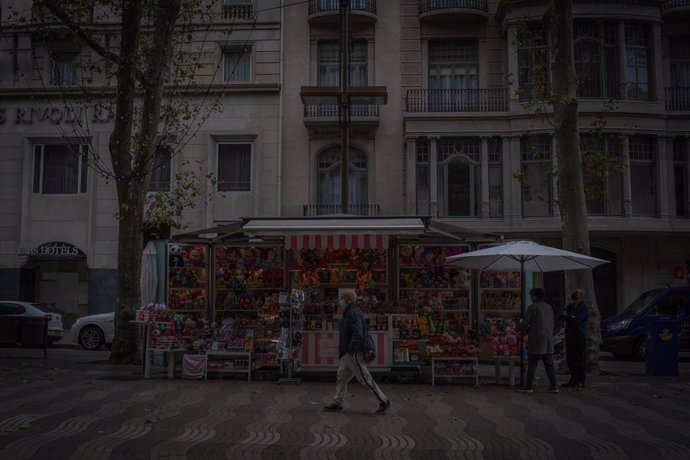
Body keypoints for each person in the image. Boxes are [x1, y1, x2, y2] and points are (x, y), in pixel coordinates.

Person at [323, 289, 391, 415]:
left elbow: (358, 334)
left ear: (348, 300)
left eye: (342, 299)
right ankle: (337, 402)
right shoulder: (349, 312)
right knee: (341, 377)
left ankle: (383, 400)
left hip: (352, 353)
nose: (340, 302)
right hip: (347, 353)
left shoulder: (353, 312)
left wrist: (351, 349)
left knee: (364, 379)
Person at [518, 287, 559, 394]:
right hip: (548, 339)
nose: (530, 297)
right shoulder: (549, 307)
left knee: (532, 364)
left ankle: (528, 386)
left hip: (536, 339)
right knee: (549, 364)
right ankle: (554, 386)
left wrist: (519, 329)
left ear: (535, 296)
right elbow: (552, 323)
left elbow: (525, 323)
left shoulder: (532, 308)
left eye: (531, 295)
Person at [561, 288, 589, 388]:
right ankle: (573, 379)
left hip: (579, 336)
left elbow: (577, 320)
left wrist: (570, 317)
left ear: (581, 296)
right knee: (570, 359)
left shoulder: (584, 307)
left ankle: (581, 381)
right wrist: (570, 317)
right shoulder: (570, 306)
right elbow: (562, 316)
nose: (574, 294)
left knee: (580, 359)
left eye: (576, 293)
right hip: (569, 335)